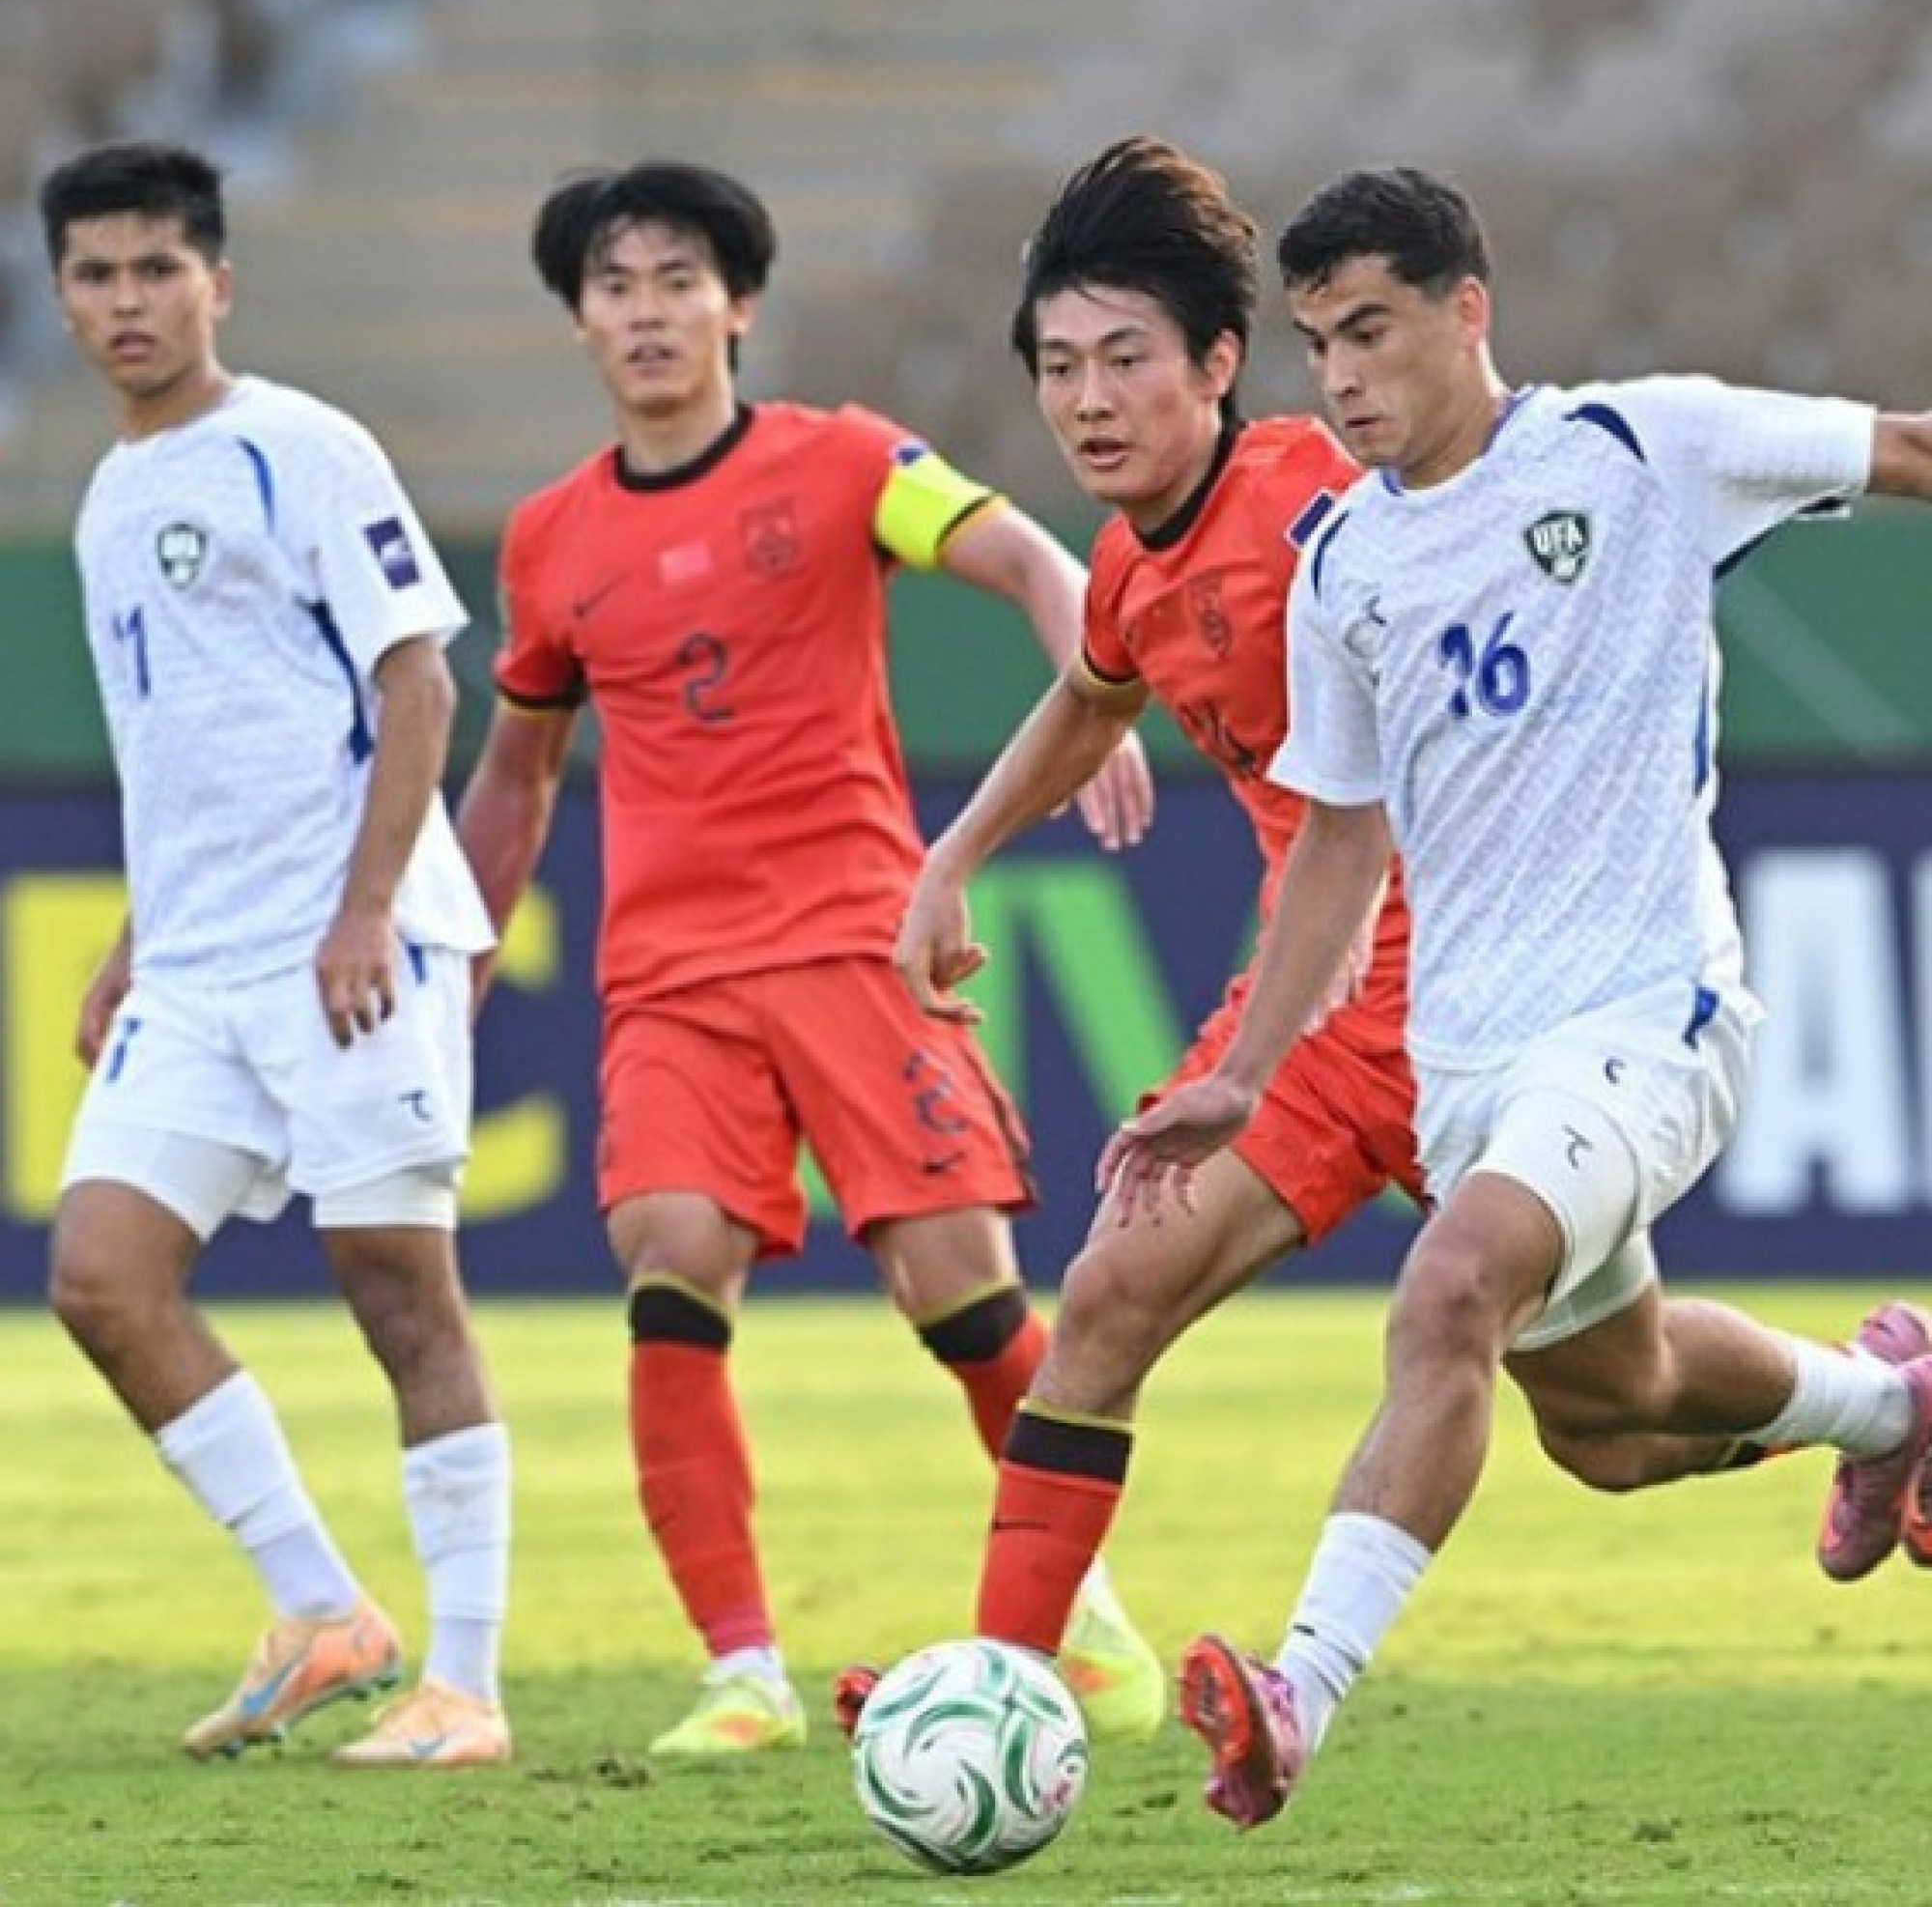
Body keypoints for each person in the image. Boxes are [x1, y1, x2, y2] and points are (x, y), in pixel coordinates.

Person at [1104, 163, 1932, 1830]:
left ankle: (1295, 1696)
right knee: (1611, 1425)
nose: (1339, 380)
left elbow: (1906, 447)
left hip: (1649, 1015)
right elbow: (1339, 850)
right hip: (1469, 1058)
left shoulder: (1640, 446)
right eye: (1318, 343)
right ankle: (1890, 1404)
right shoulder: (1341, 563)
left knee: (1447, 1289)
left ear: (1466, 312)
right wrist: (1251, 1074)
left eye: (1373, 333)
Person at [455, 159, 1161, 1757]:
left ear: (739, 304)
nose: (648, 309)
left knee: (956, 1285)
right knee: (667, 1248)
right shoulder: (553, 542)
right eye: (616, 285)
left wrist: (1093, 688)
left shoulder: (844, 464)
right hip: (671, 973)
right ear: (579, 321)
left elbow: (1031, 559)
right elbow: (519, 770)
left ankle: (1086, 1609)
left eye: (678, 277)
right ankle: (742, 1671)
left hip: (857, 931)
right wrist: (467, 937)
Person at [832, 136, 1425, 1741]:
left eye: (1125, 362)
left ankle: (1874, 1401)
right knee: (1101, 1303)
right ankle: (1003, 1692)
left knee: (1615, 1409)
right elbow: (1095, 691)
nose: (1087, 400)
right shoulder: (1131, 560)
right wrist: (950, 855)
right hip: (1321, 1015)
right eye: (1057, 367)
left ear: (1218, 364)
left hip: (1482, 991)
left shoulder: (1314, 504)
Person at [39, 141, 512, 1768]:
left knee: (400, 1291)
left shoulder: (297, 447)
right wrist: (130, 939)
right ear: (60, 298)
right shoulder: (109, 497)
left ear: (215, 283)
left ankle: (466, 1683)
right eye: (95, 275)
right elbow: (194, 747)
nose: (127, 301)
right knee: (101, 1275)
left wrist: (368, 904)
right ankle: (323, 1611)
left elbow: (422, 688)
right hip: (199, 967)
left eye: (156, 269)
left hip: (345, 946)